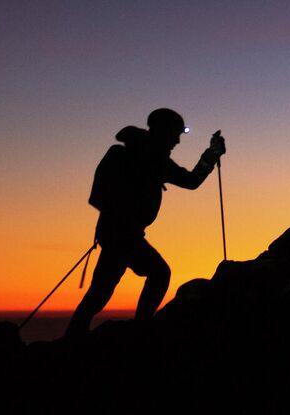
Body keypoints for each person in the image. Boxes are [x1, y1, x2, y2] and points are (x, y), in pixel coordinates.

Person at [66, 108, 225, 338]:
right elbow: (99, 195)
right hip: (121, 233)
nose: (178, 141)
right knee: (158, 274)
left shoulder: (156, 160)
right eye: (175, 134)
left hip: (119, 233)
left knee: (101, 291)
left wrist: (210, 156)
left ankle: (76, 335)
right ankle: (141, 329)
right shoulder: (126, 155)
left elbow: (190, 181)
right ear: (163, 132)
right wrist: (123, 219)